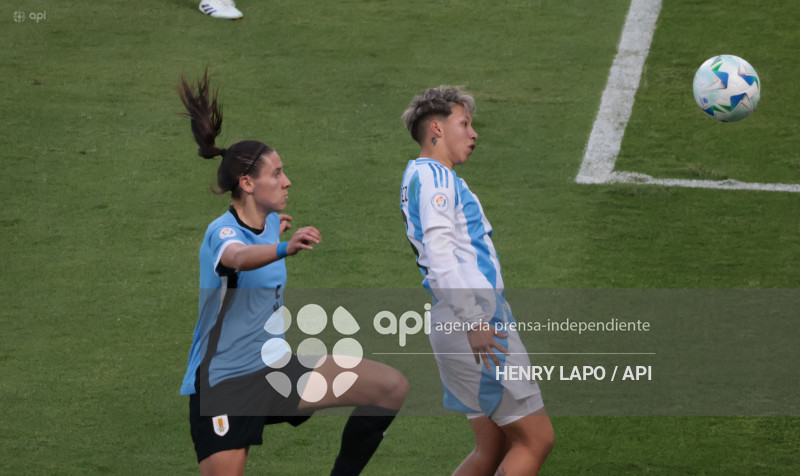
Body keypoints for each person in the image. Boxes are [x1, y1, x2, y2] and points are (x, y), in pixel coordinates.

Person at [178, 71, 408, 476]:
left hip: (275, 370)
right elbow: (236, 258)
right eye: (277, 174)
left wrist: (275, 228)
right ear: (247, 183)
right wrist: (284, 247)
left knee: (390, 387)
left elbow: (258, 237)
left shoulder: (264, 222)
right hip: (225, 385)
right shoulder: (222, 234)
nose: (287, 181)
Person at [399, 86, 554, 476]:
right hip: (476, 321)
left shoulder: (419, 176)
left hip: (455, 319)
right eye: (464, 124)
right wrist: (473, 320)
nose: (474, 134)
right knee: (536, 438)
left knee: (493, 446)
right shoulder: (436, 179)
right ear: (436, 128)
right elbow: (440, 253)